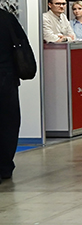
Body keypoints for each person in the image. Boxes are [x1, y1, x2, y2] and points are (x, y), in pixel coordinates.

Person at [0, 9, 32, 183]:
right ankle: (5, 166)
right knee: (8, 123)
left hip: (6, 78)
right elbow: (22, 43)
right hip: (6, 79)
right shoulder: (6, 17)